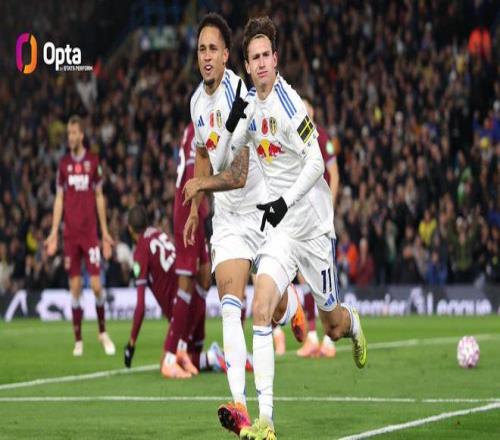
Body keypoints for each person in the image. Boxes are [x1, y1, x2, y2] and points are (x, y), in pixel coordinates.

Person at [183, 16, 367, 439]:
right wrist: (229, 127)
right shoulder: (243, 103)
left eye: (268, 55)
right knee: (259, 309)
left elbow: (317, 162)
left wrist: (283, 200)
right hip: (278, 226)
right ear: (247, 65)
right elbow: (219, 154)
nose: (263, 63)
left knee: (332, 325)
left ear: (275, 59)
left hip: (311, 223)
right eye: (256, 57)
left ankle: (353, 324)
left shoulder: (290, 104)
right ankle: (263, 420)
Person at [184, 13, 305, 437]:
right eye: (201, 49)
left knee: (270, 308)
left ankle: (291, 305)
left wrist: (201, 185)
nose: (207, 56)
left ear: (226, 55)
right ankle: (240, 405)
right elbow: (203, 151)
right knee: (230, 305)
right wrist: (196, 209)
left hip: (261, 207)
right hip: (229, 220)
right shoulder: (196, 103)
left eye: (214, 49)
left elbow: (237, 173)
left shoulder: (241, 94)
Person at [124, 205, 226, 376]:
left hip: (182, 314)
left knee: (167, 361)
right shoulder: (158, 234)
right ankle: (209, 357)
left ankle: (211, 357)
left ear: (130, 229)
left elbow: (140, 307)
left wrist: (131, 343)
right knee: (188, 356)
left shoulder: (140, 251)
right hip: (196, 302)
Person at [44, 115, 115, 357]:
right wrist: (54, 232)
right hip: (70, 235)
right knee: (74, 288)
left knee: (96, 286)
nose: (70, 137)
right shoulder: (63, 164)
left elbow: (99, 196)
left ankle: (102, 332)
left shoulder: (93, 161)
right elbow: (59, 199)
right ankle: (78, 340)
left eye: (74, 133)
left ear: (81, 135)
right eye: (68, 133)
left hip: (90, 233)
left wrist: (105, 233)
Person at [159, 121, 213, 378]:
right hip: (188, 208)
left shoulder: (201, 125)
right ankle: (170, 356)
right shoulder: (198, 127)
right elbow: (194, 174)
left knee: (204, 278)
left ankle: (183, 347)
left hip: (198, 209)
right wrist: (195, 209)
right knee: (186, 284)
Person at [294, 96, 340, 359]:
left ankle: (330, 338)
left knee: (326, 273)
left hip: (321, 215)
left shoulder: (322, 137)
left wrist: (329, 206)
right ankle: (312, 337)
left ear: (312, 110)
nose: (303, 109)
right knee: (305, 275)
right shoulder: (294, 137)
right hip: (302, 216)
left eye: (306, 106)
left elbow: (335, 174)